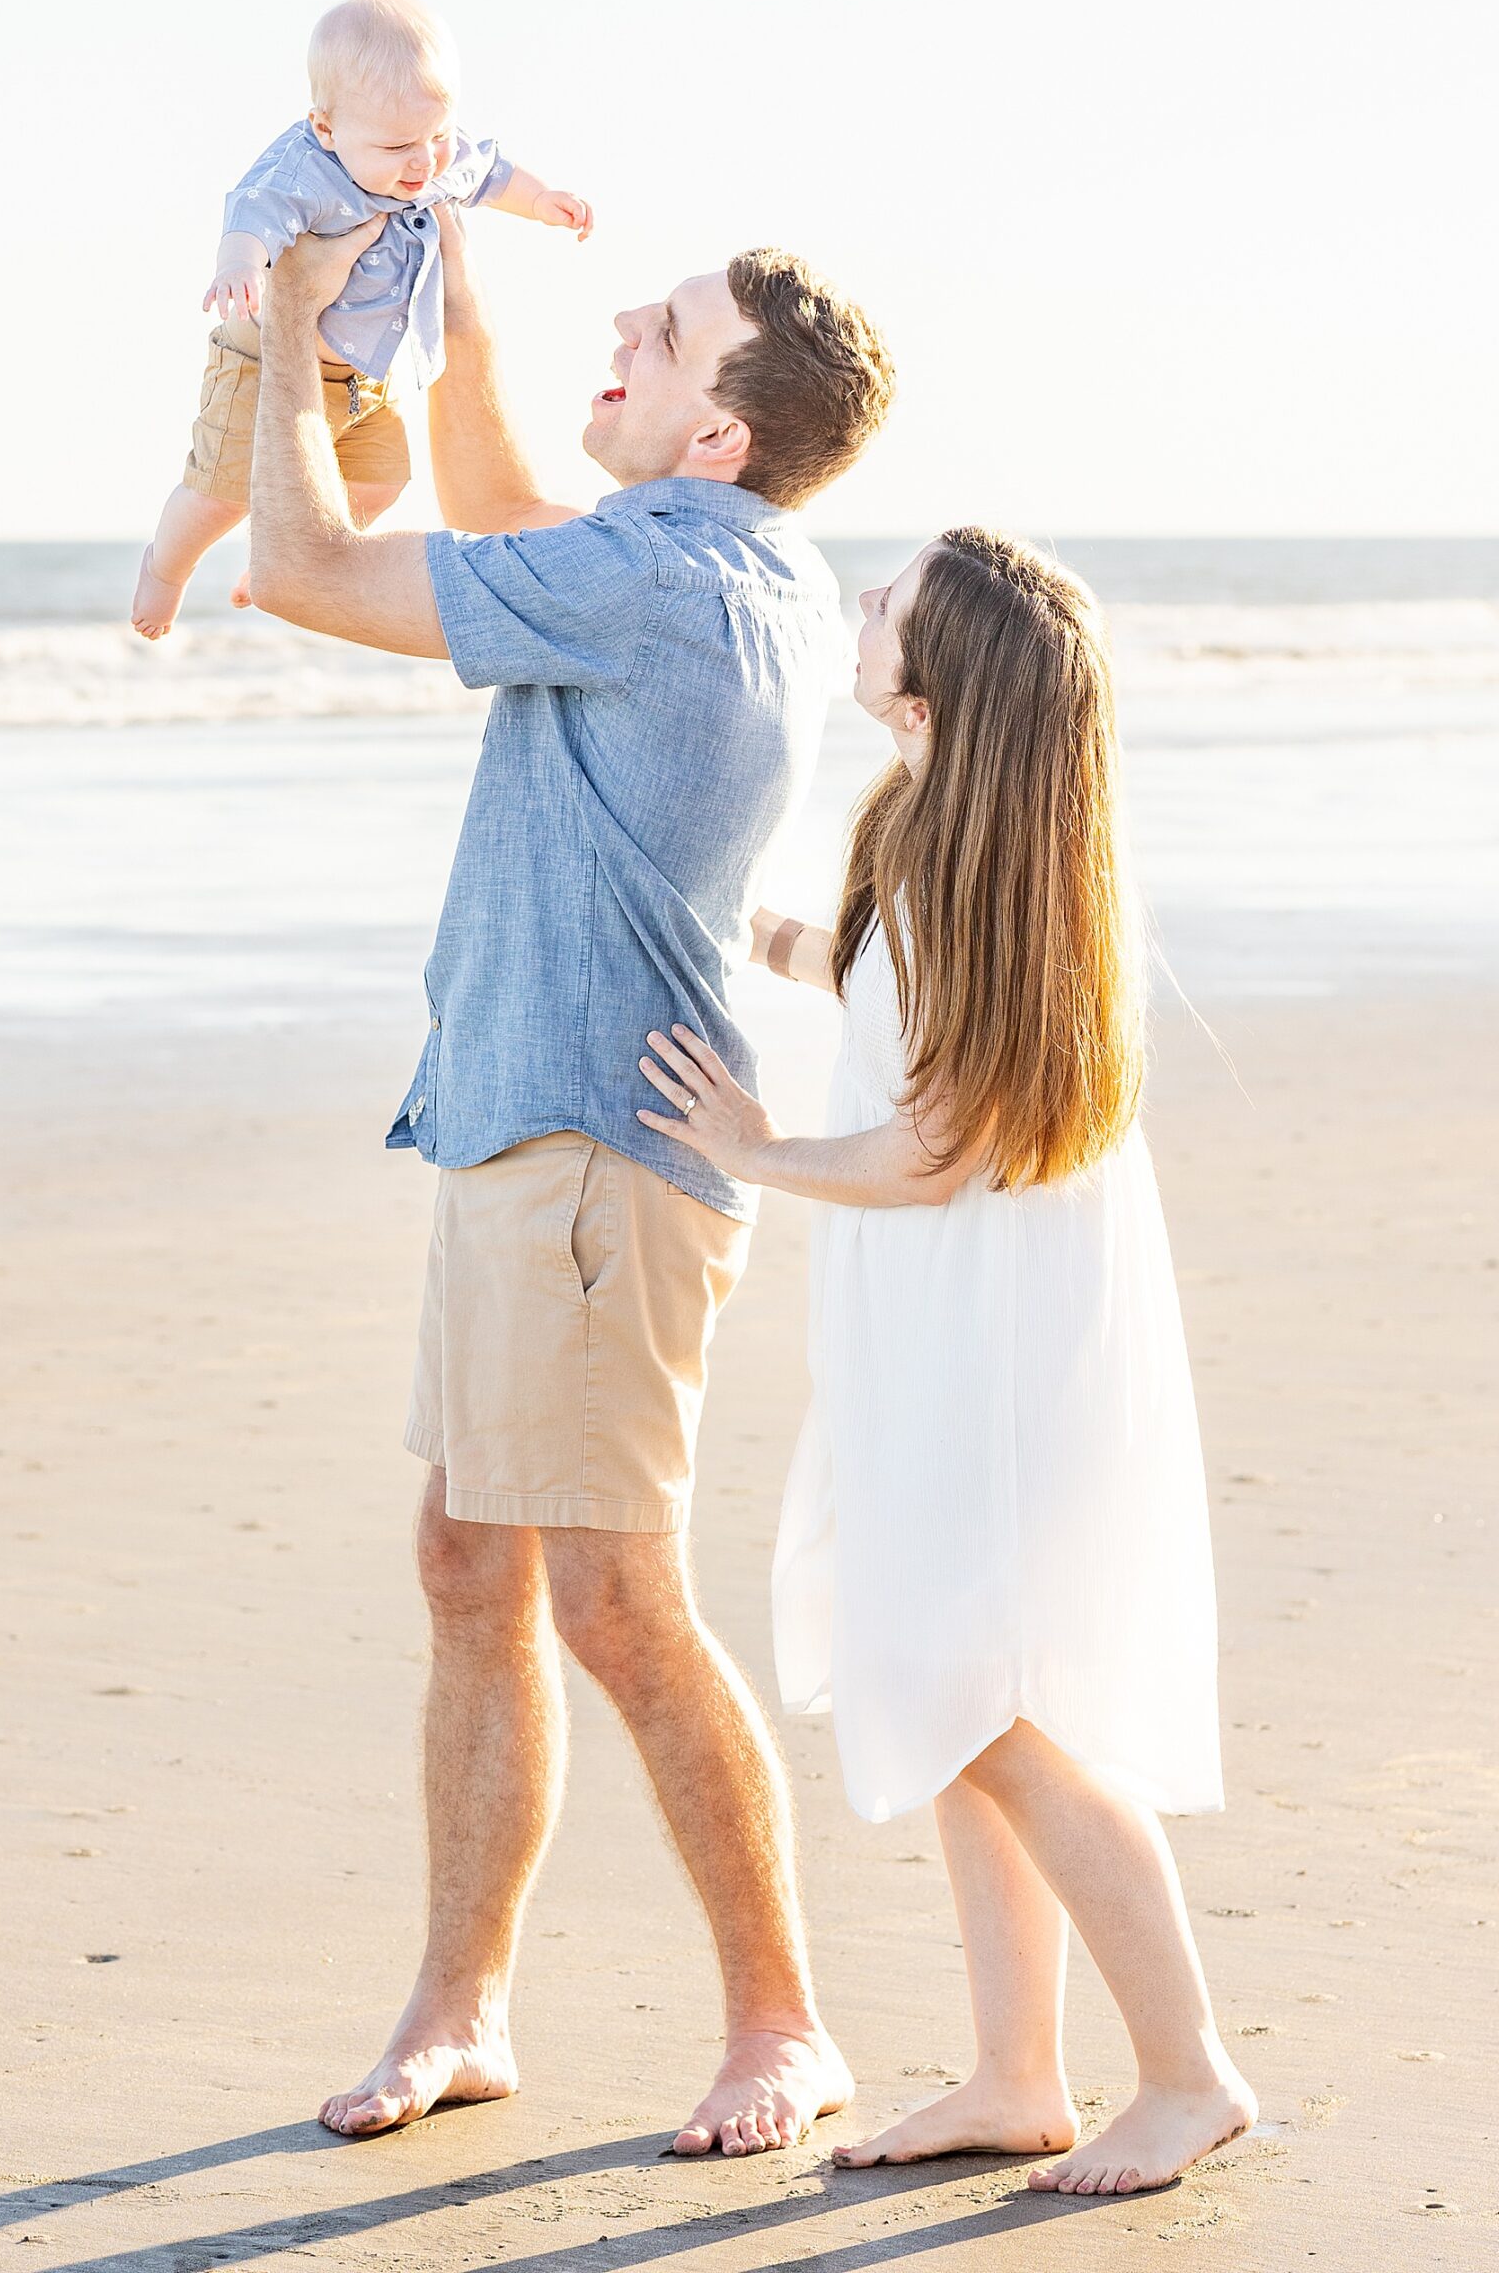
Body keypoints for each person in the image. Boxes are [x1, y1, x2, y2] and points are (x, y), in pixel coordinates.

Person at [241, 201, 895, 2155]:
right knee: (472, 1559)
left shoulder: (667, 581)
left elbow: (295, 565)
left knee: (609, 1598)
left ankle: (784, 2020)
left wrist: (289, 325)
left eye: (667, 331)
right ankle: (465, 2004)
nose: (629, 319)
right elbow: (507, 492)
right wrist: (440, 292)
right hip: (532, 1121)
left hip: (601, 1153)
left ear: (714, 433)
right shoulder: (707, 551)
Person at [636, 529, 1259, 2198]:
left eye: (887, 602)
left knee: (974, 1702)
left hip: (985, 1338)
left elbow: (924, 1153)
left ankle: (1187, 2072)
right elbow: (873, 981)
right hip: (963, 1322)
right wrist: (750, 932)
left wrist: (753, 1147)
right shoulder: (943, 840)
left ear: (938, 678)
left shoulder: (970, 871)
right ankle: (1015, 2071)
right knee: (971, 1691)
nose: (859, 609)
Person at [132, 0, 591, 638]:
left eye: (436, 135)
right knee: (220, 492)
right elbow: (252, 211)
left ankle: (284, 558)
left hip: (366, 373)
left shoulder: (434, 154)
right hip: (267, 364)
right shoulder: (307, 169)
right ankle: (164, 569)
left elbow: (491, 173)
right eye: (398, 145)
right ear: (326, 128)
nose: (423, 162)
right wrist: (238, 263)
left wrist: (543, 200)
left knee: (379, 485)